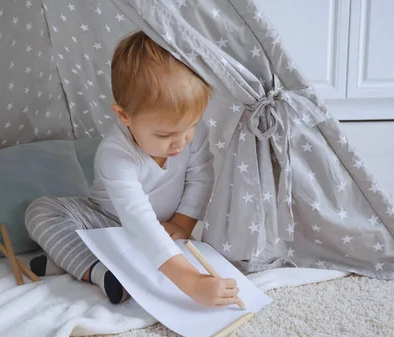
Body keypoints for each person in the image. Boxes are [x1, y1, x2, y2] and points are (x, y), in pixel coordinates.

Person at [25, 31, 240, 306]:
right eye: (164, 135)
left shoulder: (188, 133)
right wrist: (192, 283)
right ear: (124, 116)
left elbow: (200, 178)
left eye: (192, 126)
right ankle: (99, 271)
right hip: (111, 220)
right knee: (41, 211)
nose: (181, 142)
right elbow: (137, 217)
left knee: (156, 238)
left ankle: (75, 261)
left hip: (163, 227)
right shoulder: (115, 154)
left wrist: (181, 225)